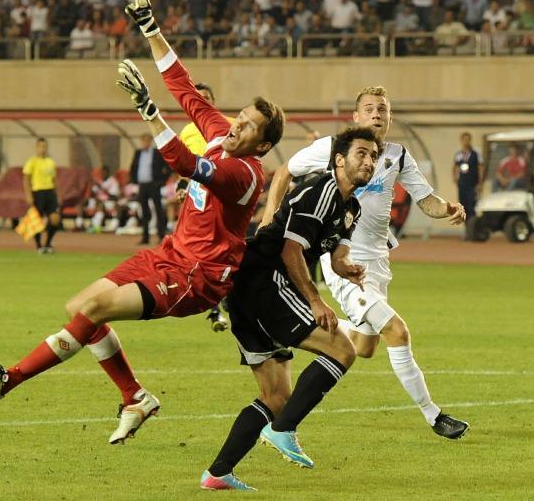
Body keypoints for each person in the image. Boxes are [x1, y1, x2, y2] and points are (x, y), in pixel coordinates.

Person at [0, 0, 285, 446]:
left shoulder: (246, 174)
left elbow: (183, 162)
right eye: (240, 117)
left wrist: (148, 112)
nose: (236, 126)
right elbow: (181, 83)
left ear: (262, 144)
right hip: (170, 253)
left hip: (198, 276)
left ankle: (9, 380)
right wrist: (149, 26)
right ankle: (135, 397)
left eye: (249, 127)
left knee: (94, 309)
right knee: (79, 308)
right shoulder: (223, 133)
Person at [261, 86, 469, 441]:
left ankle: (296, 322)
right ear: (355, 117)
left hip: (378, 262)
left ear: (389, 118)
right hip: (343, 261)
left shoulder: (398, 156)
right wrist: (269, 219)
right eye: (369, 109)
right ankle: (434, 416)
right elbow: (284, 172)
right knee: (397, 331)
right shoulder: (332, 148)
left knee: (364, 346)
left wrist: (449, 208)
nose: (376, 114)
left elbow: (426, 200)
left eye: (382, 109)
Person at [201, 127, 380, 491]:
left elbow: (337, 254)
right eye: (361, 153)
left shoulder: (352, 207)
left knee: (277, 397)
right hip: (264, 280)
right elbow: (290, 251)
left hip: (251, 288)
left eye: (374, 156)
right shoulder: (323, 190)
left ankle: (218, 474)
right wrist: (315, 300)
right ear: (339, 159)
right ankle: (282, 430)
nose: (369, 161)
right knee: (342, 349)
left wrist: (347, 267)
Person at [178, 82, 235, 332]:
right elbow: (184, 165)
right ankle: (215, 309)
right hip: (199, 202)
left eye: (205, 98)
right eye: (196, 98)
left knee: (228, 253)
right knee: (199, 254)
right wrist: (182, 186)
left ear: (213, 102)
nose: (201, 102)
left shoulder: (231, 125)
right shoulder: (187, 132)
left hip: (226, 200)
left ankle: (230, 298)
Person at [130, 133, 170, 244]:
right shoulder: (138, 153)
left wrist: (161, 182)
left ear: (151, 141)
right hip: (142, 185)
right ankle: (145, 237)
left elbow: (167, 168)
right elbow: (133, 168)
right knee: (144, 211)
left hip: (154, 185)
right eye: (143, 141)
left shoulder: (157, 153)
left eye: (147, 140)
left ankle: (161, 235)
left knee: (158, 209)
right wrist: (134, 180)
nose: (145, 143)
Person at [22, 137, 60, 254]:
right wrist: (28, 195)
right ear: (36, 147)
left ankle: (48, 243)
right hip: (38, 192)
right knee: (37, 220)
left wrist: (57, 195)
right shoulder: (32, 162)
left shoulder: (51, 162)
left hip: (50, 192)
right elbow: (26, 179)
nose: (42, 149)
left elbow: (54, 180)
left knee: (55, 219)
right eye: (40, 146)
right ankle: (39, 246)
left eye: (44, 146)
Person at [453, 132, 483, 240]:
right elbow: (455, 167)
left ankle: (474, 232)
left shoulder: (476, 153)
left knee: (472, 208)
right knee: (463, 209)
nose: (466, 141)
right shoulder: (459, 154)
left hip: (472, 185)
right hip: (462, 185)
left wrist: (480, 183)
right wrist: (455, 178)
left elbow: (480, 168)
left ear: (470, 140)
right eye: (464, 139)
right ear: (461, 141)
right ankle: (467, 232)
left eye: (468, 139)